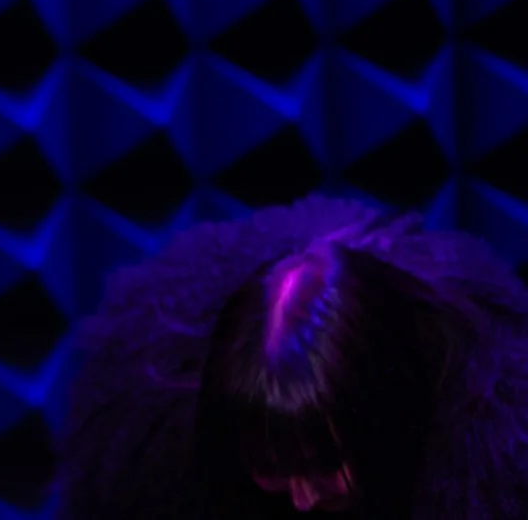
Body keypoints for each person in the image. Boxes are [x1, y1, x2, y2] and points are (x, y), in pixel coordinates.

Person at [57, 194, 528, 519]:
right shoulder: (160, 441)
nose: (302, 500)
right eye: (271, 468)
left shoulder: (486, 457)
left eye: (323, 465)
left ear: (383, 418)